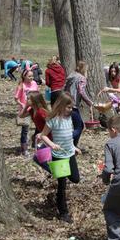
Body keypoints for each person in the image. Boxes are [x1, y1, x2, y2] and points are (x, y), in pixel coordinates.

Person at [40, 92, 80, 223]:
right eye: (68, 107)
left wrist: (74, 147)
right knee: (62, 185)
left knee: (75, 179)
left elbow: (68, 135)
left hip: (70, 154)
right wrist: (52, 145)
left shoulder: (70, 118)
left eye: (71, 107)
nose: (70, 109)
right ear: (61, 106)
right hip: (59, 156)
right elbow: (43, 135)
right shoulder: (53, 120)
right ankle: (63, 212)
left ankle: (61, 171)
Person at [65, 61, 94, 145]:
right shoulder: (81, 78)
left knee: (76, 125)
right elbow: (81, 91)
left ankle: (74, 145)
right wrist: (89, 102)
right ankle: (66, 142)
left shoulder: (71, 75)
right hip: (72, 105)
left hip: (64, 103)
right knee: (79, 127)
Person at [14, 69, 39, 156]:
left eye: (32, 76)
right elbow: (16, 99)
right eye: (29, 76)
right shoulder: (21, 85)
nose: (31, 78)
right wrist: (23, 105)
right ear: (24, 76)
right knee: (25, 129)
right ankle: (24, 149)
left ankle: (35, 141)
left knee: (39, 126)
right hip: (25, 110)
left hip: (35, 109)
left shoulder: (34, 83)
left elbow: (37, 94)